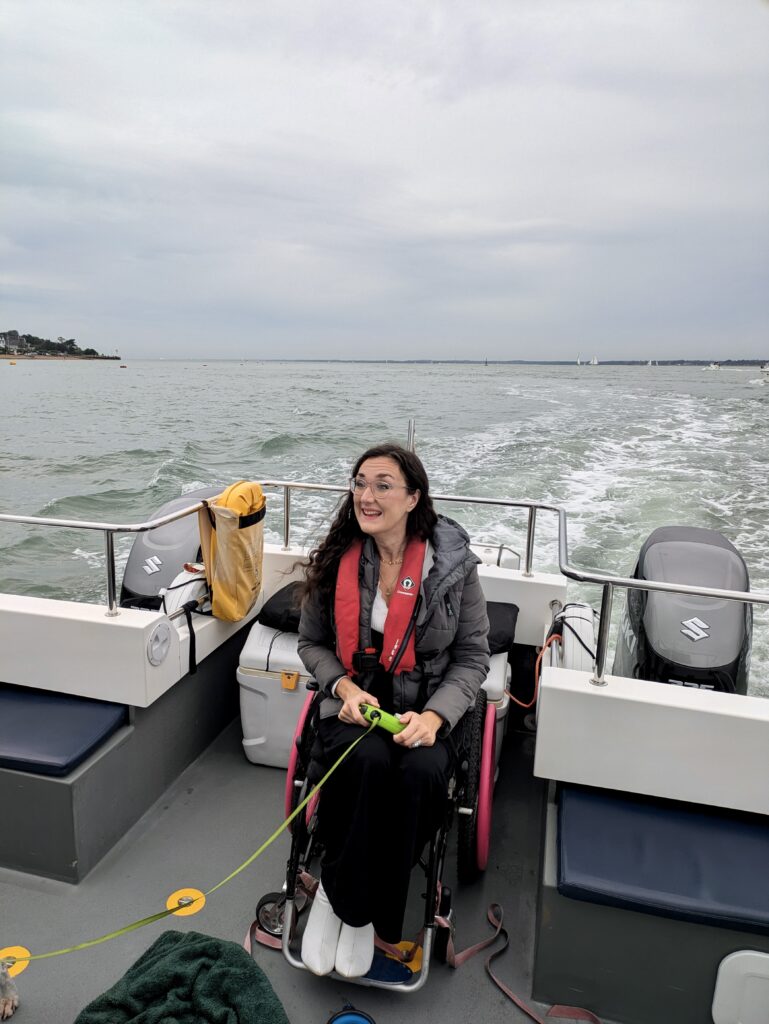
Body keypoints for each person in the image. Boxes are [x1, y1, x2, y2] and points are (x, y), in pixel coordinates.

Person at [297, 442, 490, 978]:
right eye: (360, 483)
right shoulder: (338, 559)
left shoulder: (452, 570)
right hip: (356, 706)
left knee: (420, 776)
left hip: (428, 712)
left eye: (383, 485)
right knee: (364, 763)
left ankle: (376, 915)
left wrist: (434, 719)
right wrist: (343, 689)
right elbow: (311, 644)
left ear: (413, 499)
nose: (367, 495)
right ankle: (340, 900)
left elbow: (474, 657)